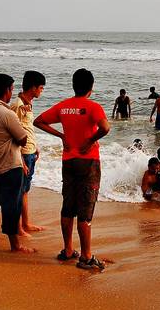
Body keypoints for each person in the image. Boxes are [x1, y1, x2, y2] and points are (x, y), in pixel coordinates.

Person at [34, 68, 110, 270]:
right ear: (91, 88)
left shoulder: (64, 106)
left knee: (68, 206)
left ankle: (68, 250)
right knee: (85, 210)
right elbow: (105, 128)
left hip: (68, 161)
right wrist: (90, 141)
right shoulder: (93, 107)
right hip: (88, 162)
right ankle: (85, 257)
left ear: (74, 86)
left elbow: (38, 121)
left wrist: (61, 135)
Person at [0, 73, 34, 253]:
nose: (13, 92)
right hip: (10, 166)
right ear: (6, 91)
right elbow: (22, 139)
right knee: (11, 207)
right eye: (11, 89)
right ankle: (15, 246)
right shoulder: (7, 113)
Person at [10, 70, 46, 236]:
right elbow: (13, 134)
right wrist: (21, 160)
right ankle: (18, 228)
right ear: (33, 88)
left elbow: (26, 128)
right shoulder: (18, 105)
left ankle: (26, 223)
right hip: (23, 154)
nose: (42, 91)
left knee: (24, 191)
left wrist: (35, 146)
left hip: (30, 152)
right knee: (18, 192)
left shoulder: (27, 104)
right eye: (41, 87)